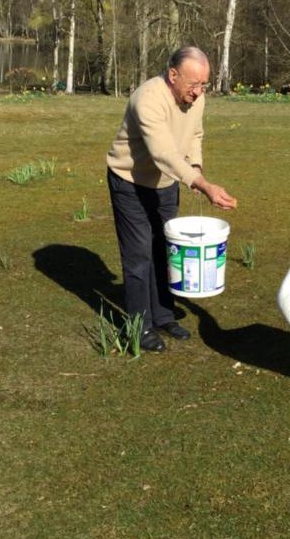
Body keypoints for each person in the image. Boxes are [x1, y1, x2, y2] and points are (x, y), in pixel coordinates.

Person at [106, 46, 238, 352]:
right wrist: (202, 184)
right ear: (173, 75)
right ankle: (140, 327)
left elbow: (195, 136)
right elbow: (162, 151)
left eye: (203, 84)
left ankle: (164, 315)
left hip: (167, 183)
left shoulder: (197, 98)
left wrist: (195, 168)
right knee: (139, 256)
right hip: (131, 182)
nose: (198, 92)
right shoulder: (148, 99)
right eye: (193, 84)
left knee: (165, 250)